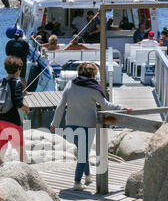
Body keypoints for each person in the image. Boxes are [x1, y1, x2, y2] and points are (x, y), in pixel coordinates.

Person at [50, 62, 132, 191]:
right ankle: (77, 182)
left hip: (71, 124)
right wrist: (122, 108)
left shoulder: (70, 85)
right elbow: (106, 106)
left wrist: (54, 124)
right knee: (83, 154)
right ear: (92, 74)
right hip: (88, 125)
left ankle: (87, 176)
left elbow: (60, 106)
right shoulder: (93, 88)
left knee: (82, 152)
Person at [0, 56, 29, 169]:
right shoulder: (18, 83)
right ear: (18, 69)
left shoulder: (1, 81)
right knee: (21, 149)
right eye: (20, 69)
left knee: (0, 151)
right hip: (12, 122)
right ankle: (25, 172)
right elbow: (18, 102)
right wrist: (25, 107)